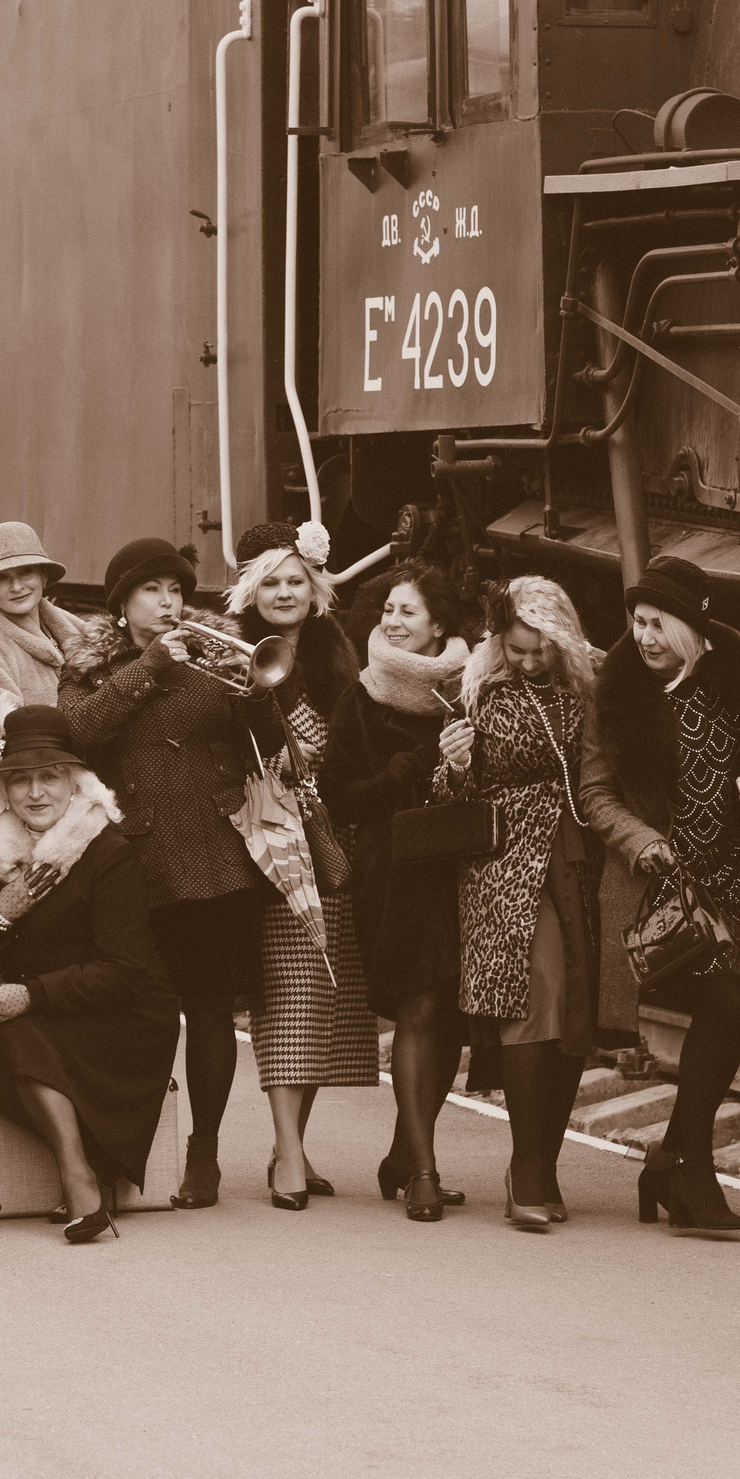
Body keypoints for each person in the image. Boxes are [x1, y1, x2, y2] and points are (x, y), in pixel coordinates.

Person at [581, 555, 740, 1236]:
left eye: (657, 623)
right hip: (654, 888)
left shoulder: (732, 684)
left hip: (724, 885)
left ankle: (676, 1157)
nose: (642, 636)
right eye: (636, 621)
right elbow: (594, 793)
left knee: (734, 1005)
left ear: (690, 628)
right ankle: (685, 1162)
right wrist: (641, 838)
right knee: (728, 999)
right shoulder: (614, 694)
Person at [60, 535, 273, 1208]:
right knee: (140, 1014)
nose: (169, 601)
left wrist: (263, 694)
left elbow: (263, 743)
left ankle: (204, 1153)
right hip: (135, 859)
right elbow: (79, 733)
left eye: (177, 590)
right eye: (153, 590)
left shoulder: (215, 650)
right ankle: (125, 1145)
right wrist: (147, 667)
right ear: (122, 603)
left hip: (216, 852)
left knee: (211, 1008)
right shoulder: (91, 666)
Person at [0, 707, 181, 1244]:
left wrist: (30, 995)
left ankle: (78, 1179)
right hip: (42, 1017)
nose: (35, 792)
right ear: (4, 793)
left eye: (49, 776)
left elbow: (124, 971)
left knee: (7, 1038)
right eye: (20, 780)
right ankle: (91, 1162)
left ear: (75, 783)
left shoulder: (108, 852)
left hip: (122, 1018)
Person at [450, 576, 608, 1230]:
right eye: (516, 648)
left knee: (576, 1006)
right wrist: (455, 766)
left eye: (540, 648)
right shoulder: (480, 692)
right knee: (534, 995)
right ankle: (526, 1165)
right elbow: (454, 788)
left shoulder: (588, 691)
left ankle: (542, 1158)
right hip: (508, 867)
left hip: (578, 862)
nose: (528, 660)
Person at [320, 563, 476, 1219]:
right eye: (388, 609)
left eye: (406, 611)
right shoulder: (362, 696)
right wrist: (396, 774)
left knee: (449, 1022)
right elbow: (339, 797)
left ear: (437, 625)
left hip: (461, 872)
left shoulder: (471, 689)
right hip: (395, 873)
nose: (391, 619)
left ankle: (401, 1152)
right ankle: (423, 1170)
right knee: (415, 1011)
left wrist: (465, 763)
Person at [223, 520, 370, 1209]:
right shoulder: (231, 654)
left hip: (328, 833)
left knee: (323, 992)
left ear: (315, 590)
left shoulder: (340, 654)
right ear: (251, 591)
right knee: (291, 989)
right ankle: (286, 1151)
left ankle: (294, 1145)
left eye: (295, 580)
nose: (285, 592)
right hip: (264, 838)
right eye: (271, 581)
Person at [0, 518, 82, 755]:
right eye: (2, 577)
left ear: (43, 576)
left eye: (25, 572)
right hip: (13, 784)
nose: (16, 586)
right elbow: (3, 741)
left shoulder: (80, 633)